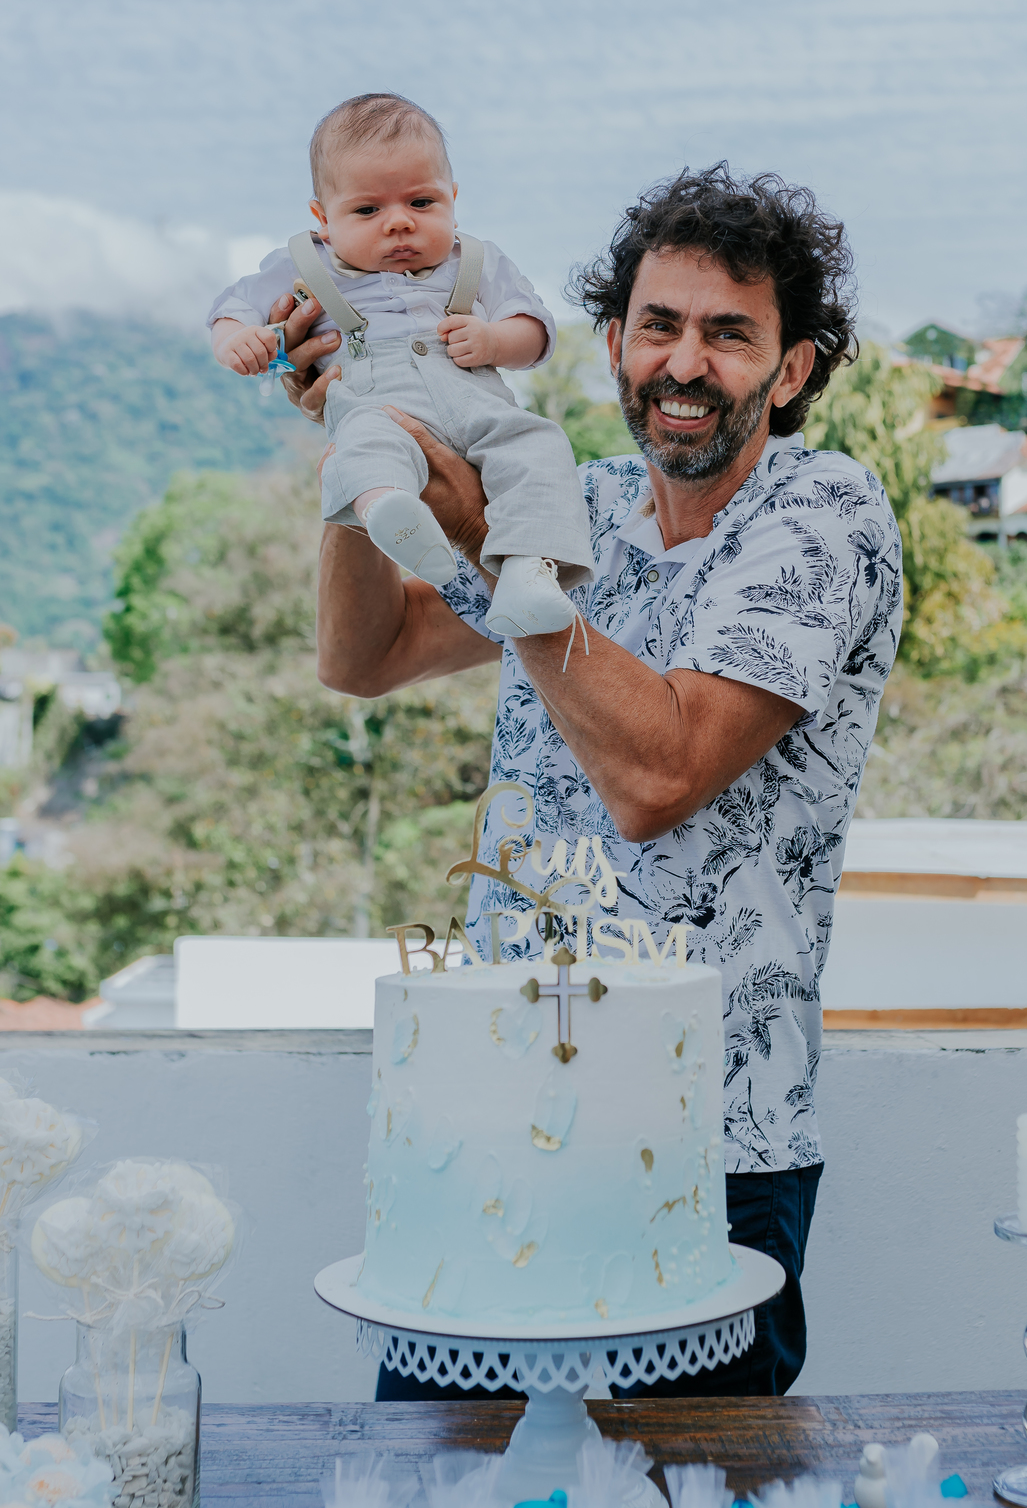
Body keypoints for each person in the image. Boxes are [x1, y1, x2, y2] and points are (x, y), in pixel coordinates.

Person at [276, 163, 904, 1398]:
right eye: (658, 325)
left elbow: (660, 775)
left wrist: (490, 543)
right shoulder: (586, 502)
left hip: (710, 1137)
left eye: (730, 335)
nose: (684, 364)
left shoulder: (823, 515)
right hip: (493, 1110)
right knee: (445, 1500)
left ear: (793, 369)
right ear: (613, 343)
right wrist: (362, 446)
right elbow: (366, 654)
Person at [206, 92, 594, 640]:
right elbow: (234, 307)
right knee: (364, 441)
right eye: (367, 210)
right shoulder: (306, 265)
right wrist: (238, 340)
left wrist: (493, 340)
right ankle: (390, 511)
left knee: (538, 446)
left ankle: (530, 571)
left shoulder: (477, 261)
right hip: (376, 401)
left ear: (453, 198)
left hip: (476, 400)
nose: (399, 224)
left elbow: (535, 330)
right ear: (323, 219)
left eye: (422, 202)